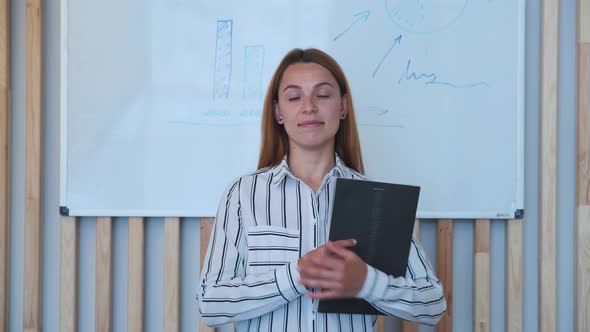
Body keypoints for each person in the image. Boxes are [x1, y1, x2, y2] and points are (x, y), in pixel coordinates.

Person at [198, 48, 446, 331]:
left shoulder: (376, 200)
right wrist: (295, 276)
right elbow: (210, 304)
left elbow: (432, 305)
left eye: (323, 94)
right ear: (278, 112)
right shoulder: (242, 195)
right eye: (294, 97)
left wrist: (366, 282)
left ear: (343, 106)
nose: (308, 107)